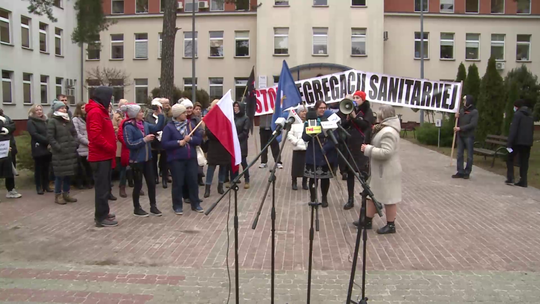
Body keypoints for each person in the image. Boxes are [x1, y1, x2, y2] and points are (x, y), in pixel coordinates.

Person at [356, 105, 402, 234]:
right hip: (380, 170)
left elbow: (387, 152)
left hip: (387, 170)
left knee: (389, 198)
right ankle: (368, 220)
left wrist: (368, 149)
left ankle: (391, 224)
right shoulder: (385, 129)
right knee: (372, 194)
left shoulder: (388, 132)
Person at [123, 103, 165, 217]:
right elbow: (130, 144)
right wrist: (144, 140)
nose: (142, 113)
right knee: (138, 185)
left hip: (148, 159)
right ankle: (137, 208)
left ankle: (153, 206)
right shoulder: (128, 127)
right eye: (140, 112)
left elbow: (157, 128)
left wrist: (160, 115)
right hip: (136, 160)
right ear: (135, 114)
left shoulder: (145, 124)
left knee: (151, 183)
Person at [162, 104, 204, 214]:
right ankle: (177, 206)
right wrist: (178, 143)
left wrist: (190, 139)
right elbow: (165, 143)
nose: (186, 114)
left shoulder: (190, 125)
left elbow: (198, 139)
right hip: (176, 159)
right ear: (177, 115)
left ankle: (195, 204)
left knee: (193, 181)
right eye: (183, 113)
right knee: (178, 182)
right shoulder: (169, 127)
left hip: (191, 158)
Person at [87, 87, 118, 227]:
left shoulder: (101, 111)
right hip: (100, 156)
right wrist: (110, 146)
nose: (111, 100)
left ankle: (104, 212)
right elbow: (95, 136)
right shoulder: (95, 112)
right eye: (110, 97)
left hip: (105, 156)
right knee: (101, 189)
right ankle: (100, 217)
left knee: (105, 187)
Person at [341, 91, 374, 210]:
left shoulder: (367, 111)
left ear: (363, 100)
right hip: (350, 146)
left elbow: (366, 125)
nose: (355, 99)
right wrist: (348, 118)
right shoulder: (349, 109)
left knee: (363, 174)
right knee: (350, 173)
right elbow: (343, 125)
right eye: (354, 97)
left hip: (361, 146)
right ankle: (350, 199)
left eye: (358, 98)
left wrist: (355, 117)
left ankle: (366, 198)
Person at [302, 101, 337, 208]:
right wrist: (311, 131)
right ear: (316, 108)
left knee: (325, 178)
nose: (322, 110)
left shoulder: (330, 120)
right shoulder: (311, 121)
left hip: (326, 153)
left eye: (324, 108)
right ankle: (313, 198)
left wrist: (326, 147)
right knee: (313, 178)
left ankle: (324, 198)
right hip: (314, 154)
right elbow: (305, 137)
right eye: (320, 108)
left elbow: (335, 137)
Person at [47, 100, 78, 205]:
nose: (64, 109)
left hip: (70, 152)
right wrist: (58, 147)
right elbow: (50, 137)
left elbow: (74, 133)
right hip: (60, 153)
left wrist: (75, 143)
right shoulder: (52, 121)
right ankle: (58, 195)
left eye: (65, 108)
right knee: (59, 175)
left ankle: (66, 194)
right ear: (56, 110)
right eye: (61, 108)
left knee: (68, 174)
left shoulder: (68, 120)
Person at [204, 99, 231, 198]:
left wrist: (223, 134)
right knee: (211, 168)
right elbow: (208, 133)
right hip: (214, 146)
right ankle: (207, 188)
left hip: (224, 146)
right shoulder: (209, 118)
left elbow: (229, 130)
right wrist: (219, 134)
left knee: (223, 167)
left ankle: (220, 186)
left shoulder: (225, 117)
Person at [506, 99, 534, 187]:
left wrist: (509, 143)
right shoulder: (530, 116)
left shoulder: (517, 115)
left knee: (510, 157)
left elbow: (513, 129)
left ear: (516, 107)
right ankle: (523, 180)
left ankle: (511, 178)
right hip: (527, 143)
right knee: (524, 161)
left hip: (517, 142)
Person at [27, 105, 53, 195]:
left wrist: (51, 140)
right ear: (33, 112)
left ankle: (46, 185)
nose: (39, 111)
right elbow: (34, 134)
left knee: (46, 167)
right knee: (39, 168)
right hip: (38, 147)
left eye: (40, 110)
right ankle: (39, 186)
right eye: (37, 110)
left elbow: (49, 131)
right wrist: (46, 141)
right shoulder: (31, 122)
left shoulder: (46, 121)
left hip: (47, 148)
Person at [452, 95, 478, 179]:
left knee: (469, 155)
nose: (463, 102)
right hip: (460, 136)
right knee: (459, 154)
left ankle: (467, 172)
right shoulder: (462, 111)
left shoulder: (474, 112)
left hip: (469, 136)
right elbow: (458, 121)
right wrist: (456, 117)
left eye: (465, 100)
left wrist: (460, 128)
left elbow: (472, 124)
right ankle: (460, 171)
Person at [146, 98, 170, 189]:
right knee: (153, 160)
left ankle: (164, 178)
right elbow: (148, 127)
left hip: (162, 141)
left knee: (164, 161)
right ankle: (155, 177)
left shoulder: (164, 116)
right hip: (153, 141)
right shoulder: (148, 117)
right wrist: (155, 134)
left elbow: (167, 125)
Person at [0, 109, 21, 199]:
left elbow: (13, 126)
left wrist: (5, 129)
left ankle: (11, 189)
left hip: (9, 147)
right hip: (2, 148)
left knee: (10, 170)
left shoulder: (6, 118)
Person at [287, 105, 308, 190]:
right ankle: (294, 182)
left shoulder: (309, 123)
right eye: (302, 111)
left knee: (305, 167)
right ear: (298, 113)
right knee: (296, 167)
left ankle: (304, 182)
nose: (304, 113)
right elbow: (289, 134)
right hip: (297, 148)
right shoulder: (294, 124)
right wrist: (295, 142)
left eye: (305, 111)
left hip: (306, 148)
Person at [112, 99, 131, 198]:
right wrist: (123, 129)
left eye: (127, 104)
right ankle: (122, 186)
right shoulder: (116, 116)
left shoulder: (130, 115)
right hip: (120, 143)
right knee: (123, 166)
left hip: (131, 143)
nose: (125, 106)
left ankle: (133, 184)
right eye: (124, 105)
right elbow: (113, 127)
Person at [73, 102, 94, 189]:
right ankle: (80, 183)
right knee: (80, 167)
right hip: (82, 146)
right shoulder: (75, 120)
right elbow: (77, 134)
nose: (85, 109)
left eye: (86, 107)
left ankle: (89, 182)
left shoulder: (90, 118)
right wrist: (87, 142)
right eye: (82, 108)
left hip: (90, 146)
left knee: (89, 166)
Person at [231, 101, 250, 189]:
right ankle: (234, 178)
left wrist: (236, 138)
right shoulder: (232, 117)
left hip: (241, 143)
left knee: (243, 161)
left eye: (237, 106)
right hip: (233, 143)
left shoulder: (245, 118)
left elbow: (245, 132)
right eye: (234, 106)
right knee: (233, 162)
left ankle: (247, 179)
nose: (235, 108)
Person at [193, 102, 205, 186]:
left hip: (202, 142)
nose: (198, 111)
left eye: (199, 109)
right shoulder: (192, 120)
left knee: (201, 160)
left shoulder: (202, 119)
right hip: (194, 141)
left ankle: (200, 176)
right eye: (196, 109)